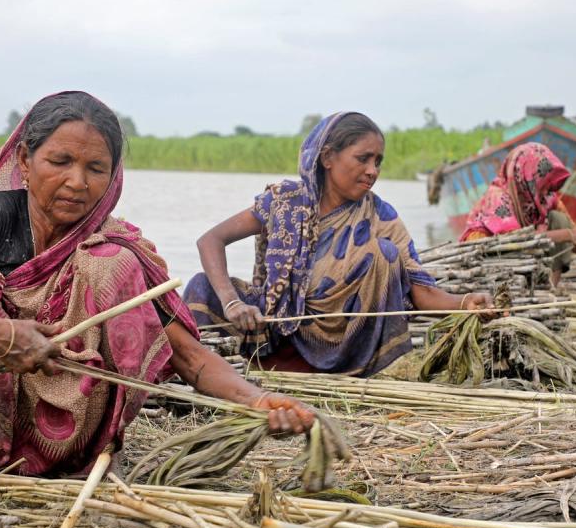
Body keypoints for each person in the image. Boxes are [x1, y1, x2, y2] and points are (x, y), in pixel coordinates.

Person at [0, 91, 315, 476]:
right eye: (60, 161)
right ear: (26, 161)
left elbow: (189, 357)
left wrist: (256, 400)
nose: (77, 182)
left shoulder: (115, 246)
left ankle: (76, 455)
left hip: (77, 442)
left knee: (113, 265)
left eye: (96, 168)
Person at [185, 112, 493, 377]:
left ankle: (348, 373)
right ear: (328, 157)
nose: (373, 170)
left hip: (340, 356)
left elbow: (421, 291)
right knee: (202, 287)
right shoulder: (286, 201)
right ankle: (209, 372)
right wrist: (233, 303)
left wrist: (465, 304)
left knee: (383, 255)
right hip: (272, 331)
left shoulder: (380, 217)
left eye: (378, 161)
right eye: (363, 158)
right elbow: (211, 240)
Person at [460, 143, 576, 285]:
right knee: (561, 232)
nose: (546, 190)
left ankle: (550, 286)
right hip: (494, 260)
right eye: (541, 183)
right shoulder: (498, 197)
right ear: (524, 177)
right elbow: (514, 242)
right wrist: (568, 234)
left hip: (528, 258)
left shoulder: (546, 199)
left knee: (558, 219)